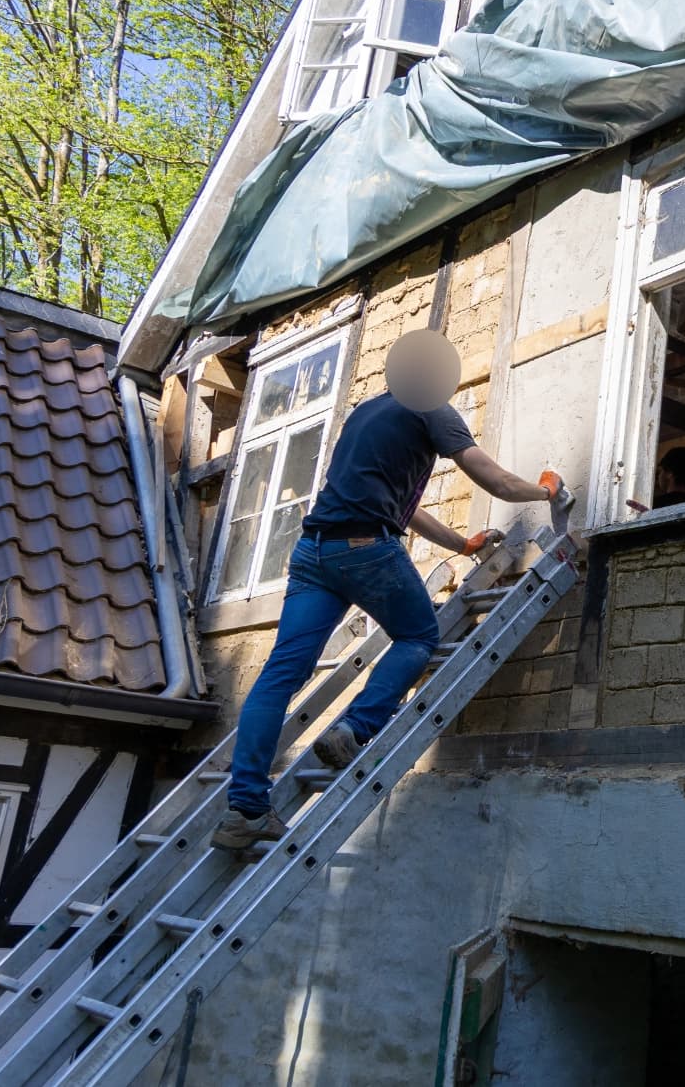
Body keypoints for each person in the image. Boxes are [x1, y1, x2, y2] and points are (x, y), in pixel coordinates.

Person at [212, 331, 564, 850]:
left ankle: (244, 809)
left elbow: (407, 509)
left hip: (315, 553)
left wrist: (463, 544)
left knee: (280, 676)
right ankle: (354, 728)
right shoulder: (432, 410)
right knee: (418, 635)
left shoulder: (365, 415)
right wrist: (547, 489)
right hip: (364, 549)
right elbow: (494, 481)